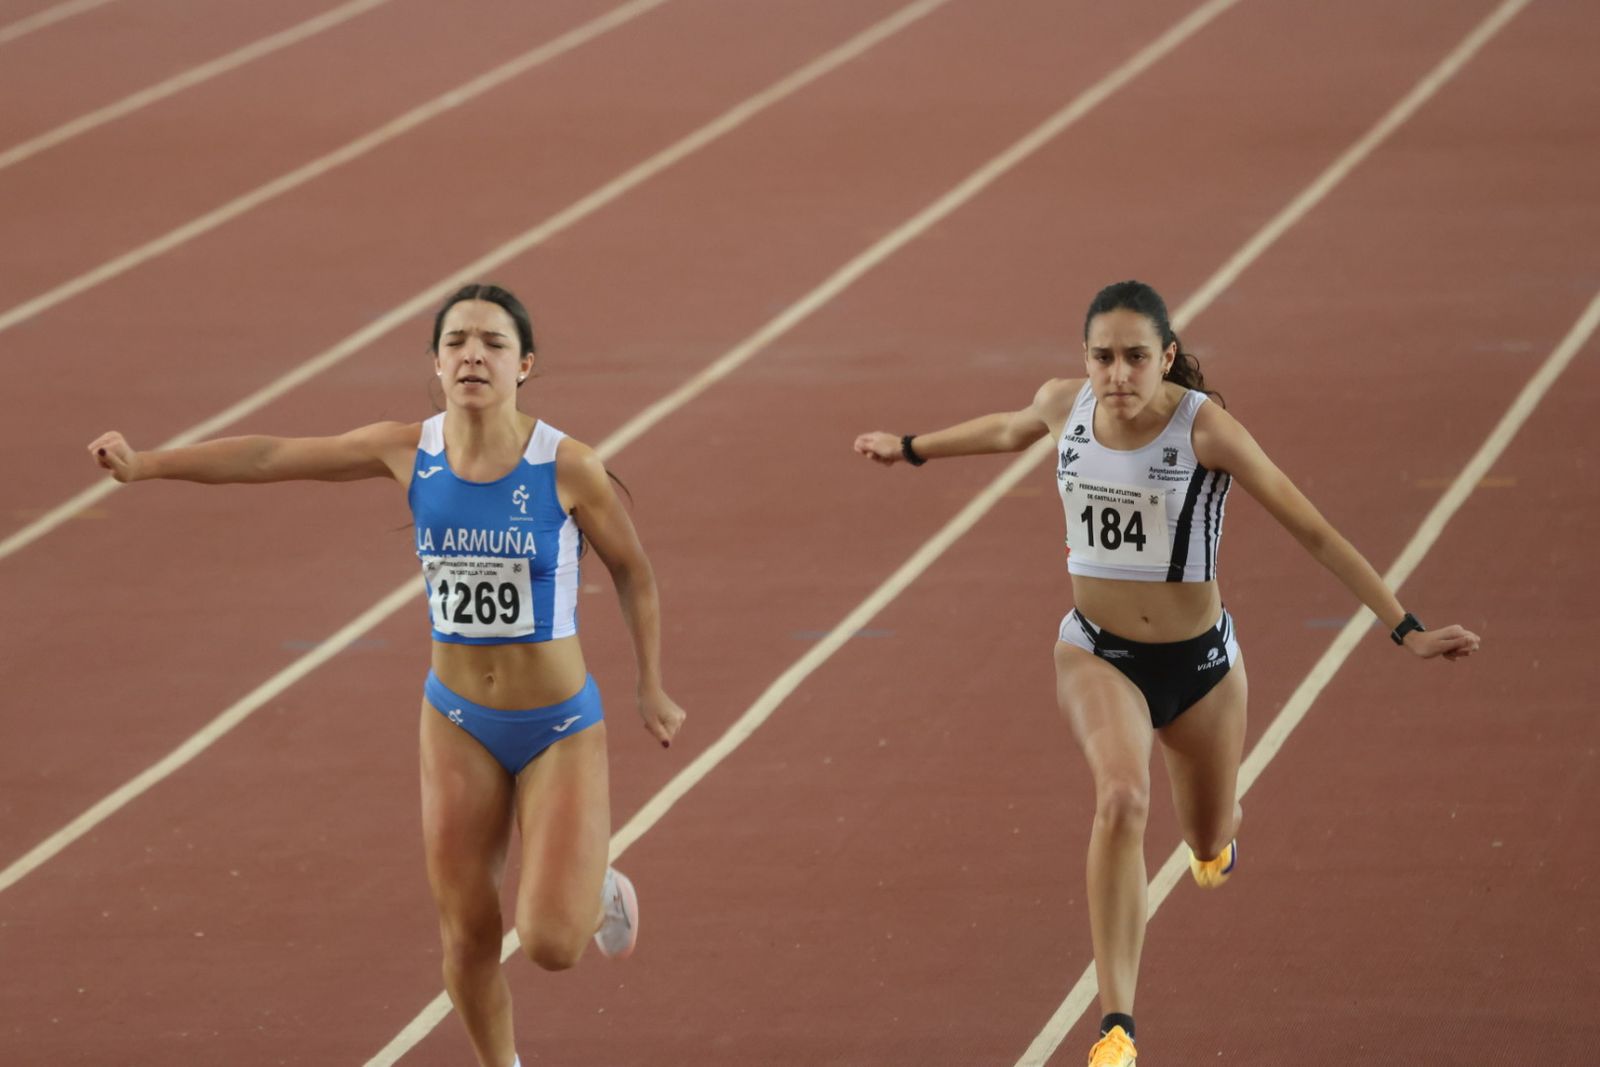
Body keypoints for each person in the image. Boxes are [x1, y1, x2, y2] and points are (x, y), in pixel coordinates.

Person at [853, 280, 1478, 1066]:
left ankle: (1217, 842)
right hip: (1097, 653)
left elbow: (1313, 530)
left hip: (1205, 669)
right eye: (1103, 357)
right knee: (1120, 795)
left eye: (1135, 358)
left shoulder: (1206, 431)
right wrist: (910, 446)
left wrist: (1407, 629)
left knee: (1207, 833)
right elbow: (1008, 428)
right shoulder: (1064, 404)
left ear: (1167, 359)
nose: (1117, 374)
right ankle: (1119, 1023)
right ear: (1085, 358)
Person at [88, 282, 687, 1067]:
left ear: (525, 364)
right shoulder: (408, 449)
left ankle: (595, 884)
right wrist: (147, 466)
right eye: (457, 341)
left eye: (494, 342)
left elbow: (633, 571)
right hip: (457, 723)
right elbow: (272, 455)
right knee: (467, 933)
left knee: (548, 942)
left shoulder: (567, 465)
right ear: (436, 364)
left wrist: (651, 682)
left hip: (559, 726)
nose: (474, 353)